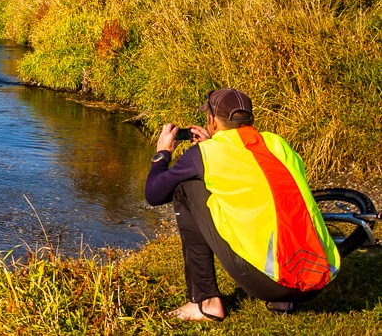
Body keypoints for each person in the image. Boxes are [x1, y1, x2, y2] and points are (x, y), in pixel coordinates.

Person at [145, 88, 339, 322]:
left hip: (272, 284)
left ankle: (206, 303)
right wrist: (213, 145)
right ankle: (282, 303)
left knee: (186, 188)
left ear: (212, 120)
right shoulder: (277, 144)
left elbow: (154, 194)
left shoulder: (206, 153)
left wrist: (162, 154)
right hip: (319, 280)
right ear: (250, 119)